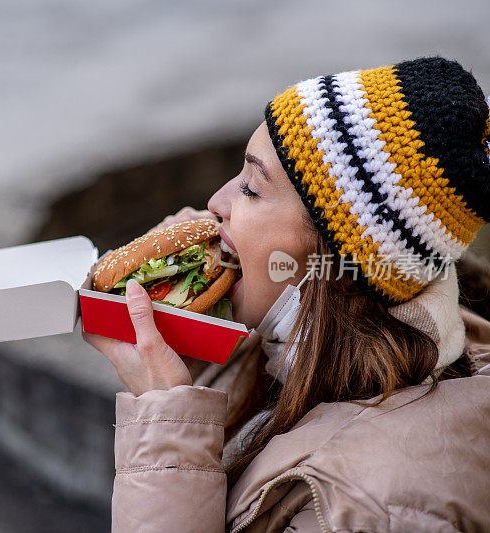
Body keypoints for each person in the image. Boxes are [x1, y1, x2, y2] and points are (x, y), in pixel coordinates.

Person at [82, 56, 490, 532]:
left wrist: (167, 423)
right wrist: (194, 369)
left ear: (334, 264)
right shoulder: (294, 360)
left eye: (251, 188)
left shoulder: (374, 509)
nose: (216, 202)